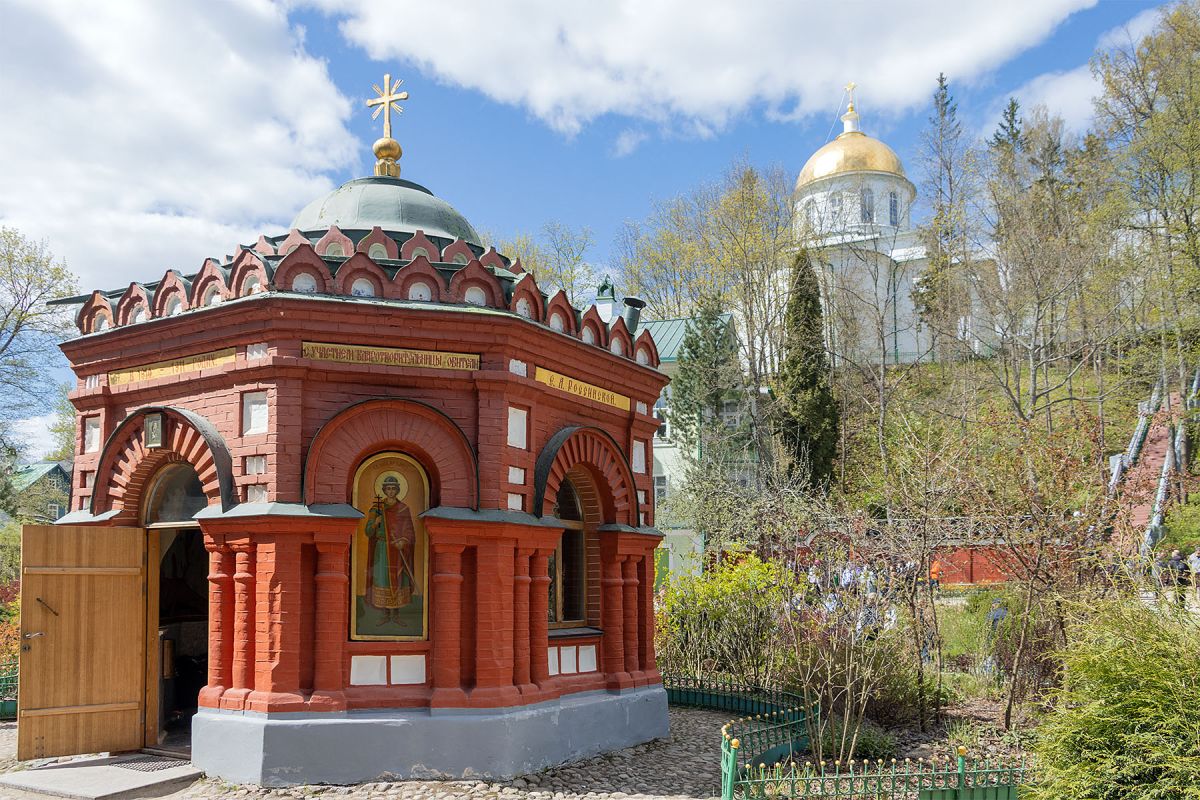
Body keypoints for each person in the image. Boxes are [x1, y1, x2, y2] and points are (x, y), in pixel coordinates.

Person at [366, 474, 418, 624]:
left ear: (397, 490)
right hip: (382, 550)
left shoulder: (403, 509)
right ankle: (385, 615)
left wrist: (404, 540)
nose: (390, 491)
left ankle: (396, 615)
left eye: (393, 488)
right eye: (388, 488)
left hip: (397, 548)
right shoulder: (377, 509)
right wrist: (375, 523)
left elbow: (409, 531)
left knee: (399, 580)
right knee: (382, 580)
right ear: (383, 490)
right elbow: (368, 532)